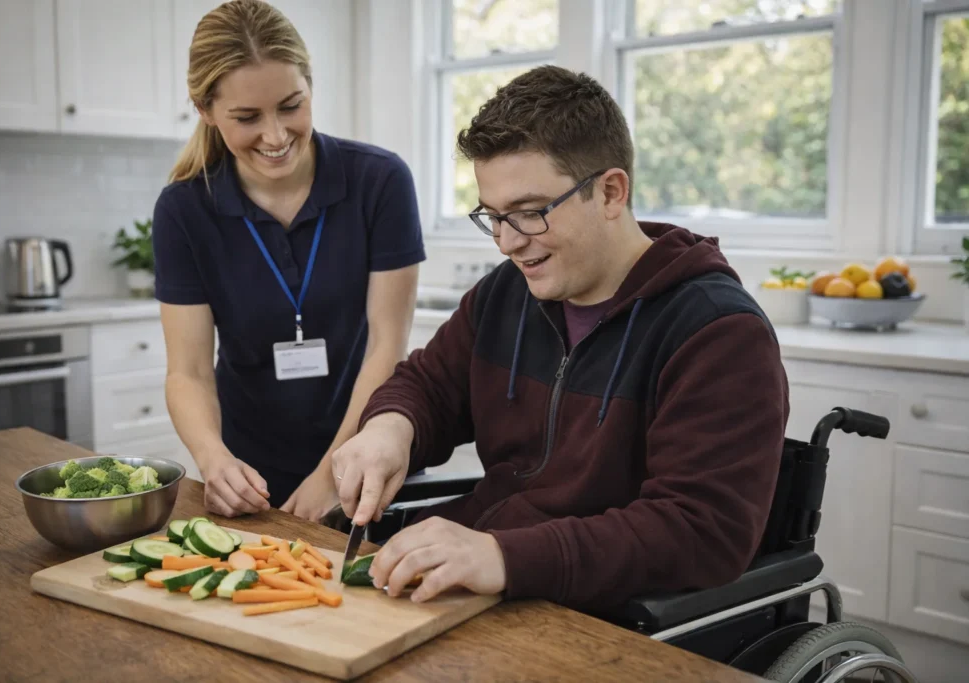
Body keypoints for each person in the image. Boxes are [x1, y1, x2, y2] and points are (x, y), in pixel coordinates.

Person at [329, 65, 789, 618]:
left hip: (601, 615)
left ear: (611, 191)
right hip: (490, 584)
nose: (506, 243)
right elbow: (427, 384)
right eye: (493, 217)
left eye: (529, 213)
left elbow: (700, 531)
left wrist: (503, 556)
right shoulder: (508, 292)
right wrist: (389, 429)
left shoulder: (718, 334)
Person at [152, 0, 424, 520]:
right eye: (247, 117)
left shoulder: (380, 182)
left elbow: (386, 347)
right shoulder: (184, 210)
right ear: (205, 110)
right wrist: (214, 462)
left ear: (311, 88)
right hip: (250, 477)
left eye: (291, 105)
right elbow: (187, 372)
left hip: (367, 463)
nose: (275, 136)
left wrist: (330, 476)